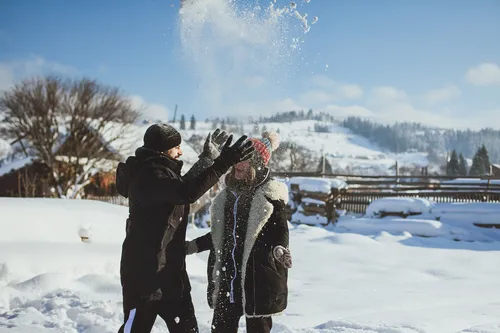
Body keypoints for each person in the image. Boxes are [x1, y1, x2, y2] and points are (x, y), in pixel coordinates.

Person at [115, 123, 254, 333]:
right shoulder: (147, 175)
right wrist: (223, 162)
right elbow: (186, 192)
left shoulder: (159, 172)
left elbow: (180, 185)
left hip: (170, 272)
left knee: (187, 329)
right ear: (162, 149)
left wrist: (207, 159)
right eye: (176, 147)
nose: (180, 152)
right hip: (144, 276)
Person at [185, 131, 293, 333]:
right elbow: (219, 236)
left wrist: (280, 247)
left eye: (246, 160)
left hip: (257, 278)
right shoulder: (228, 196)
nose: (238, 164)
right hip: (228, 278)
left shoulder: (270, 196)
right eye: (238, 159)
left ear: (258, 164)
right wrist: (193, 246)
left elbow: (280, 229)